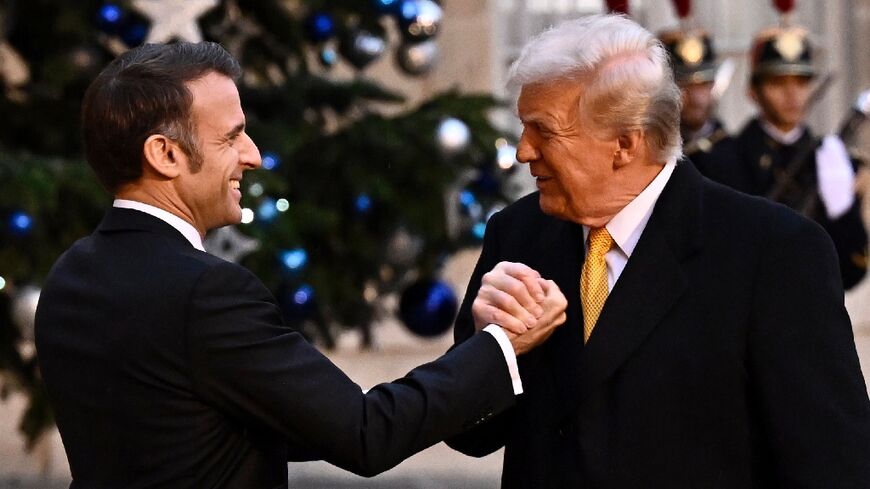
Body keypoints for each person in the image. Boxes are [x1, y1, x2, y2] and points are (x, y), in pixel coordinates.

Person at [33, 42, 567, 488]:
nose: (254, 154)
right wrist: (500, 345)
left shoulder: (72, 276)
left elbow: (186, 429)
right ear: (165, 154)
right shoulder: (207, 293)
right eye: (231, 136)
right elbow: (365, 433)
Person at [446, 14, 870, 488]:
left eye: (543, 131)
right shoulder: (518, 234)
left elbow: (833, 464)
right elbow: (470, 435)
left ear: (625, 144)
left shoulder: (774, 252)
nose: (524, 151)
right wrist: (490, 351)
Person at [721, 25, 868, 289]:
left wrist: (843, 212)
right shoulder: (724, 160)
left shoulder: (830, 159)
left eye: (801, 82)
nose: (793, 95)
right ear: (753, 91)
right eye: (778, 82)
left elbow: (852, 271)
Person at [659, 28, 733, 178]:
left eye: (704, 85)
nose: (696, 98)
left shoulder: (736, 152)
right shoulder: (655, 154)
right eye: (684, 85)